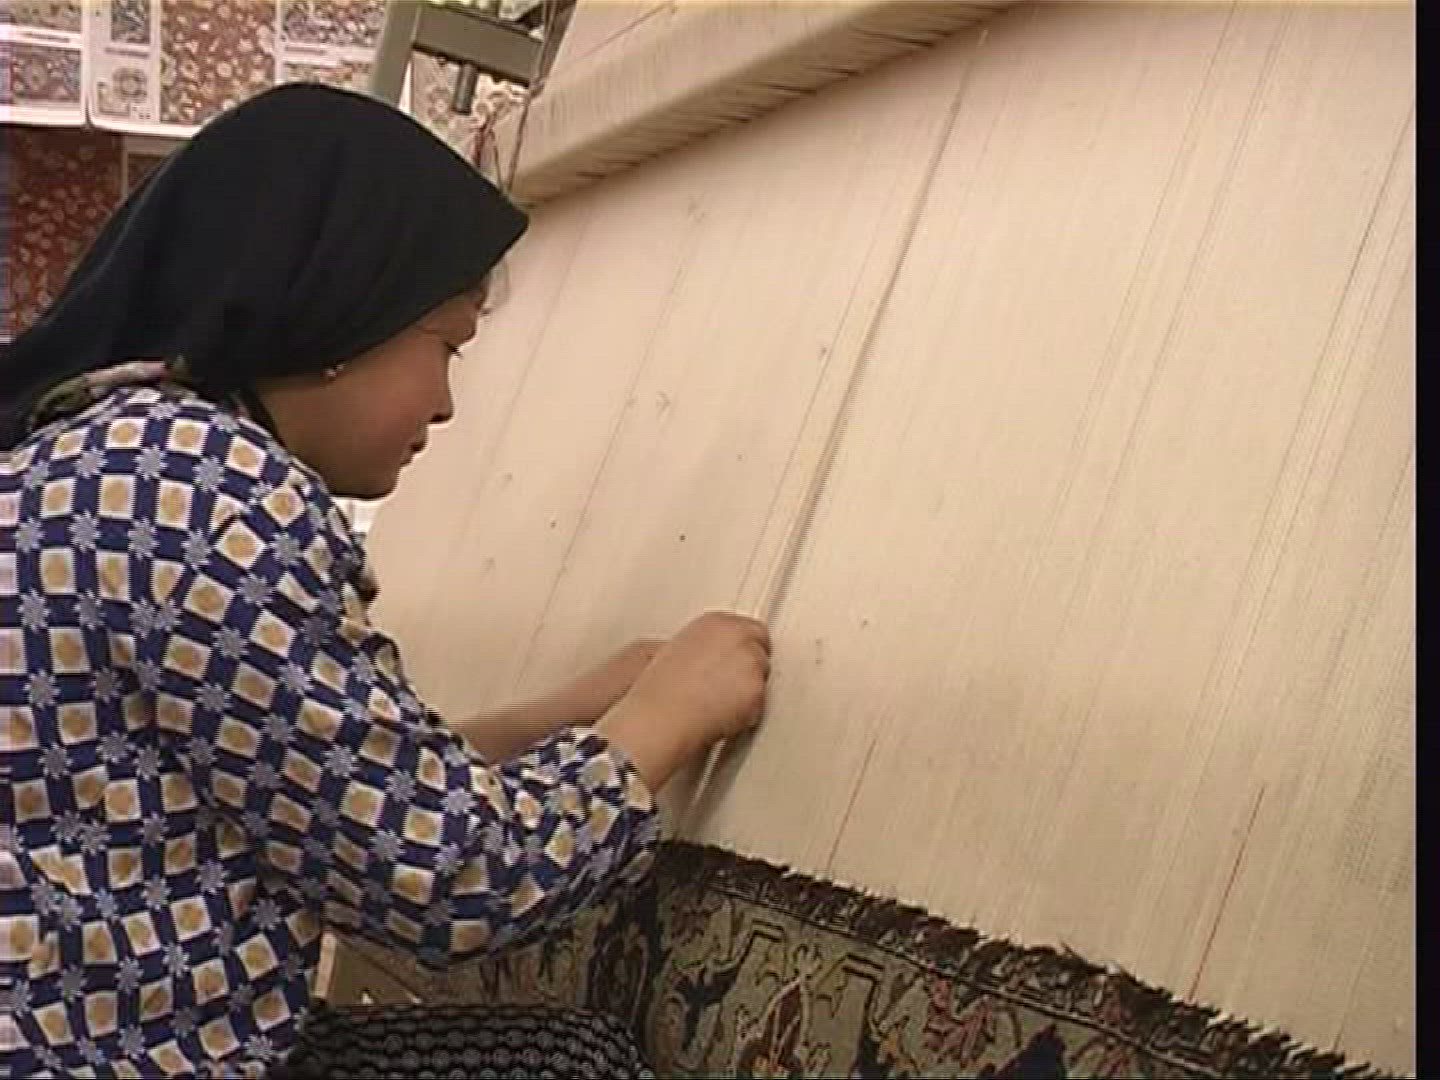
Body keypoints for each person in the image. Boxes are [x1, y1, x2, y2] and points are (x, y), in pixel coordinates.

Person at [0, 83, 770, 1078]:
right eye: (446, 344)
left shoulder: (103, 459)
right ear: (340, 314)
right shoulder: (217, 497)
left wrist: (565, 715)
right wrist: (667, 718)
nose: (446, 403)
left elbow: (307, 777)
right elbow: (455, 877)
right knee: (573, 1066)